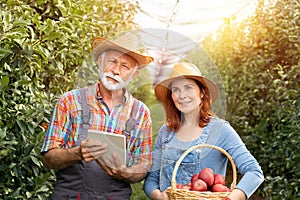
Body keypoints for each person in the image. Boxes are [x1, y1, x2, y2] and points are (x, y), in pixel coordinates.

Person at [41, 33, 154, 199]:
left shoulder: (140, 113)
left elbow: (143, 164)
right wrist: (76, 153)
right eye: (112, 61)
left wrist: (126, 172)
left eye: (125, 66)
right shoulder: (70, 101)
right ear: (100, 62)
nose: (116, 70)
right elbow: (48, 158)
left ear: (133, 75)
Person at [143, 62, 264, 200]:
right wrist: (158, 196)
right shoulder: (166, 132)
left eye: (188, 88)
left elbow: (254, 172)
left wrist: (229, 199)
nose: (181, 95)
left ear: (202, 93)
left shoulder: (220, 130)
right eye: (176, 90)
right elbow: (152, 178)